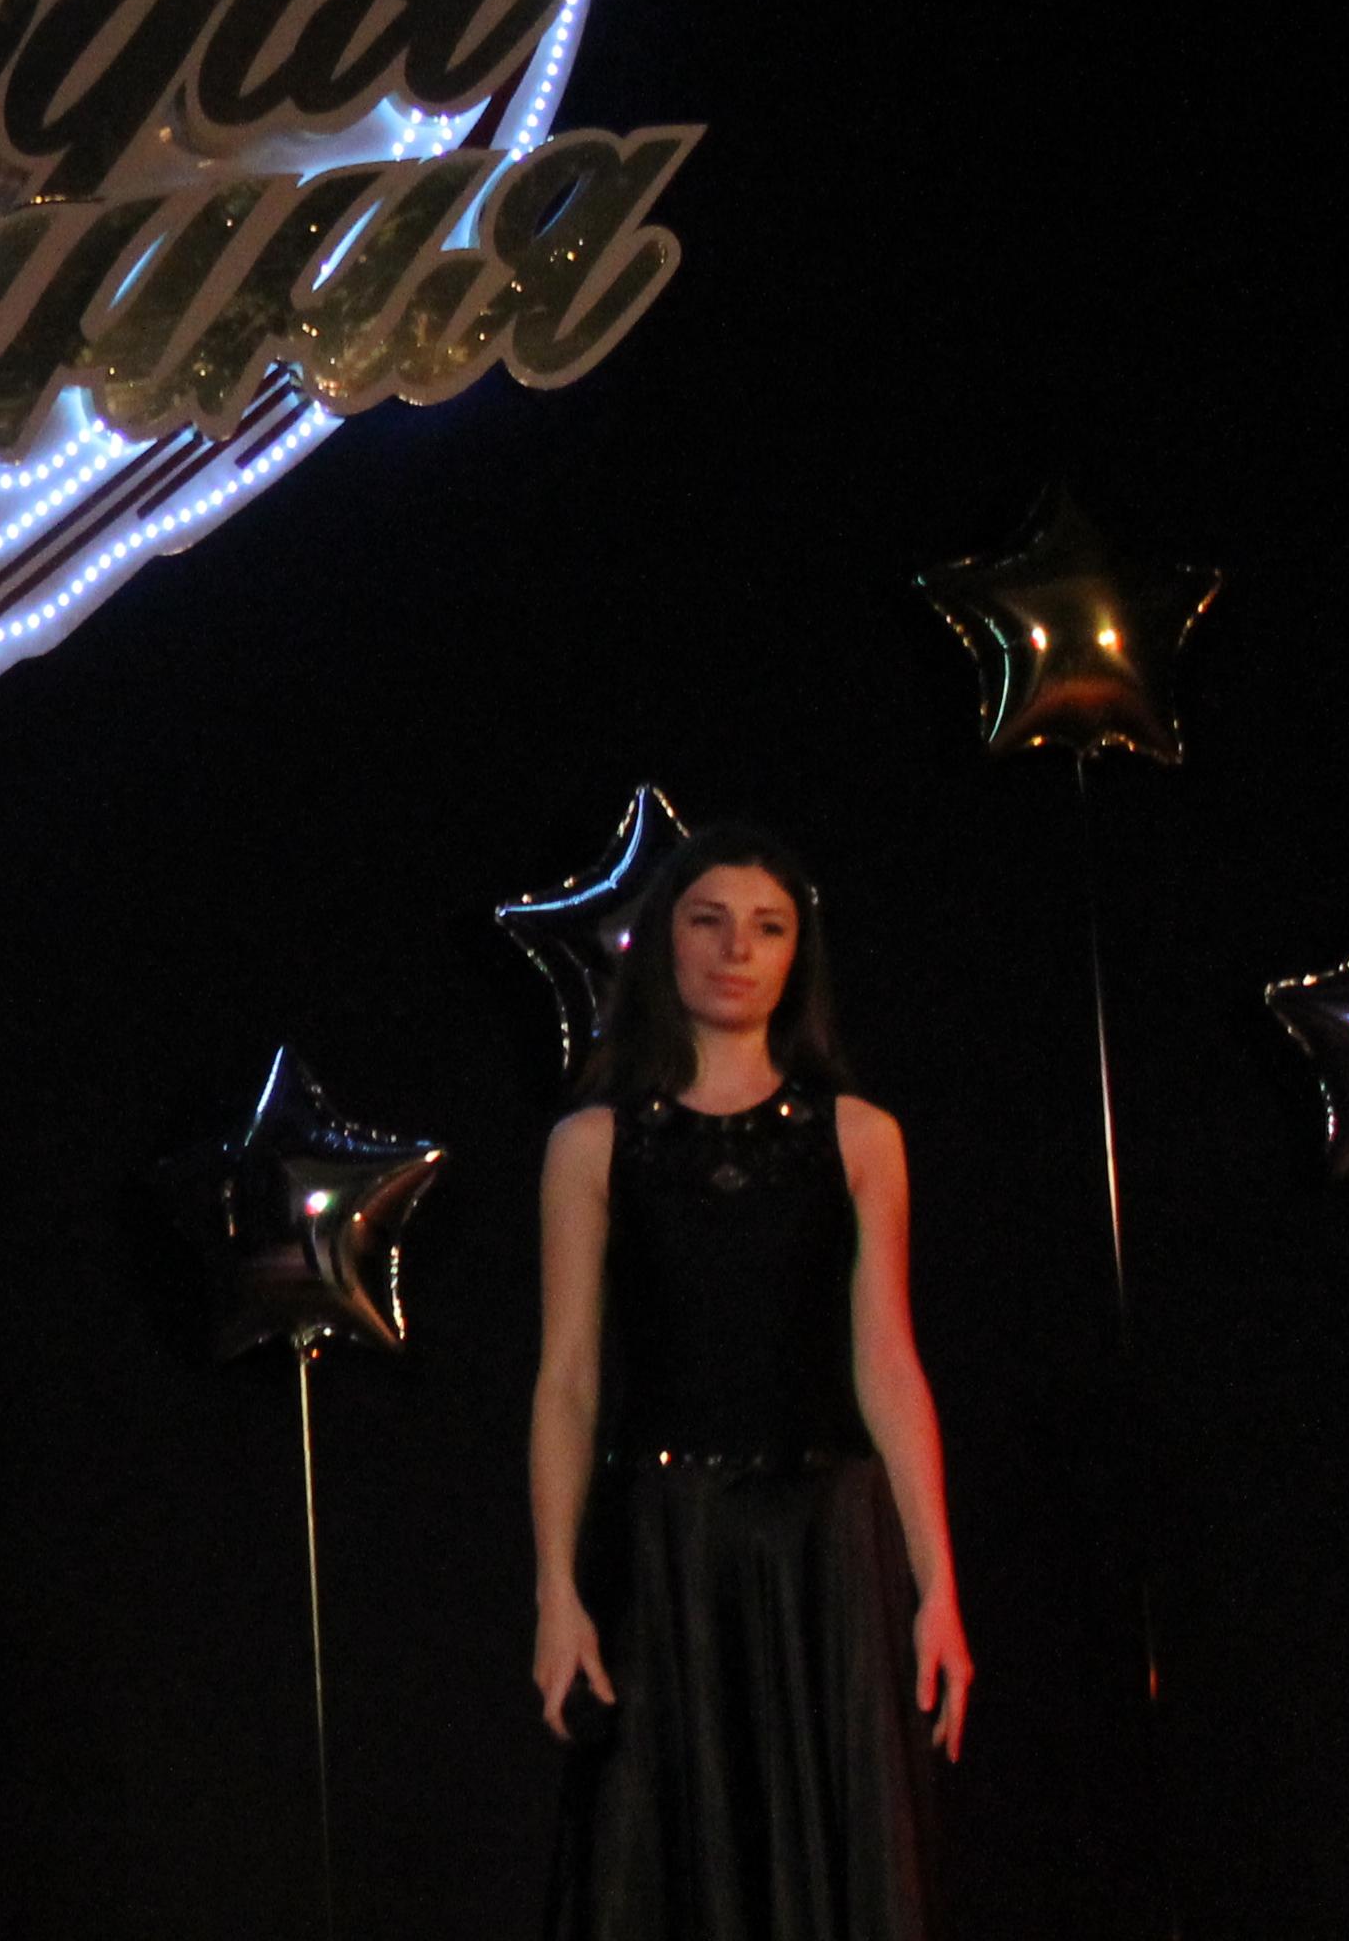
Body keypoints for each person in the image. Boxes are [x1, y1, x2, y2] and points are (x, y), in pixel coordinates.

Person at [531, 822, 970, 1939]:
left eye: (768, 928)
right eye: (710, 921)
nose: (737, 950)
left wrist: (938, 1587)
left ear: (796, 954)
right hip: (664, 1547)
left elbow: (887, 1361)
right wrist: (556, 1589)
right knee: (667, 1857)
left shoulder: (861, 1138)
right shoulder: (592, 1146)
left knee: (837, 1857)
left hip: (825, 1543)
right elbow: (569, 1378)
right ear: (664, 942)